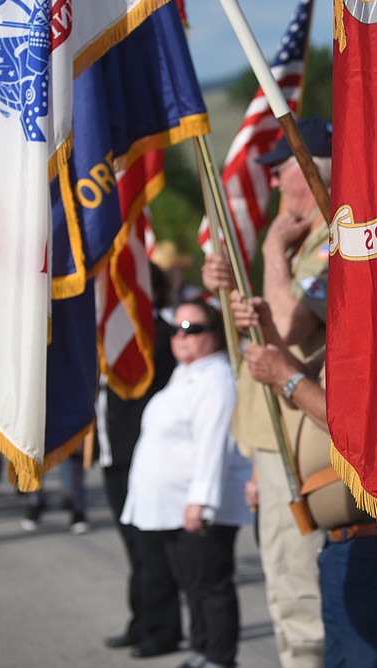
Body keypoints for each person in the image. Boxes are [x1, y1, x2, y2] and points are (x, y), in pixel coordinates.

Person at [233, 189, 377, 667]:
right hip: (366, 536)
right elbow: (318, 374)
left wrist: (287, 378)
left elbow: (365, 429)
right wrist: (270, 333)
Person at [201, 115, 333, 667]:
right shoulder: (313, 236)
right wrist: (228, 289)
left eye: (280, 170)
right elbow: (263, 337)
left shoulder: (332, 238)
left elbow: (288, 325)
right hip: (281, 435)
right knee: (284, 574)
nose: (274, 183)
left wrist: (274, 248)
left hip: (307, 433)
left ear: (310, 170)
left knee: (296, 580)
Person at [121, 300, 253, 667]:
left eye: (192, 329)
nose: (181, 336)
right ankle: (201, 648)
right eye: (176, 328)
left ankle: (220, 657)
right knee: (192, 585)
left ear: (215, 335)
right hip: (170, 504)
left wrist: (201, 502)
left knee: (211, 584)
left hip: (194, 504)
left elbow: (214, 445)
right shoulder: (185, 373)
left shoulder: (216, 379)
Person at [97, 262, 184, 651]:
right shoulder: (108, 336)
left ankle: (162, 630)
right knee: (134, 548)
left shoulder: (159, 338)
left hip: (142, 455)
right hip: (112, 453)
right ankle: (141, 620)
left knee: (151, 547)